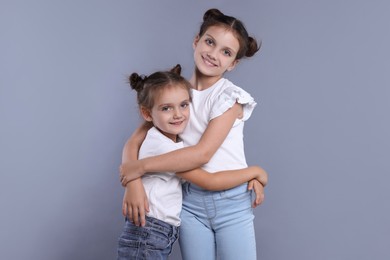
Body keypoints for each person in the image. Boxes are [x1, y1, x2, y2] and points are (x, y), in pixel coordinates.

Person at [120, 8, 266, 260]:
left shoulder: (228, 98)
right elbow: (135, 140)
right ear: (196, 41)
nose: (213, 54)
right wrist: (132, 181)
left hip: (231, 201)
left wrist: (139, 168)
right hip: (189, 205)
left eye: (226, 52)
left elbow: (202, 154)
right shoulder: (174, 92)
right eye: (210, 42)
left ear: (233, 64)